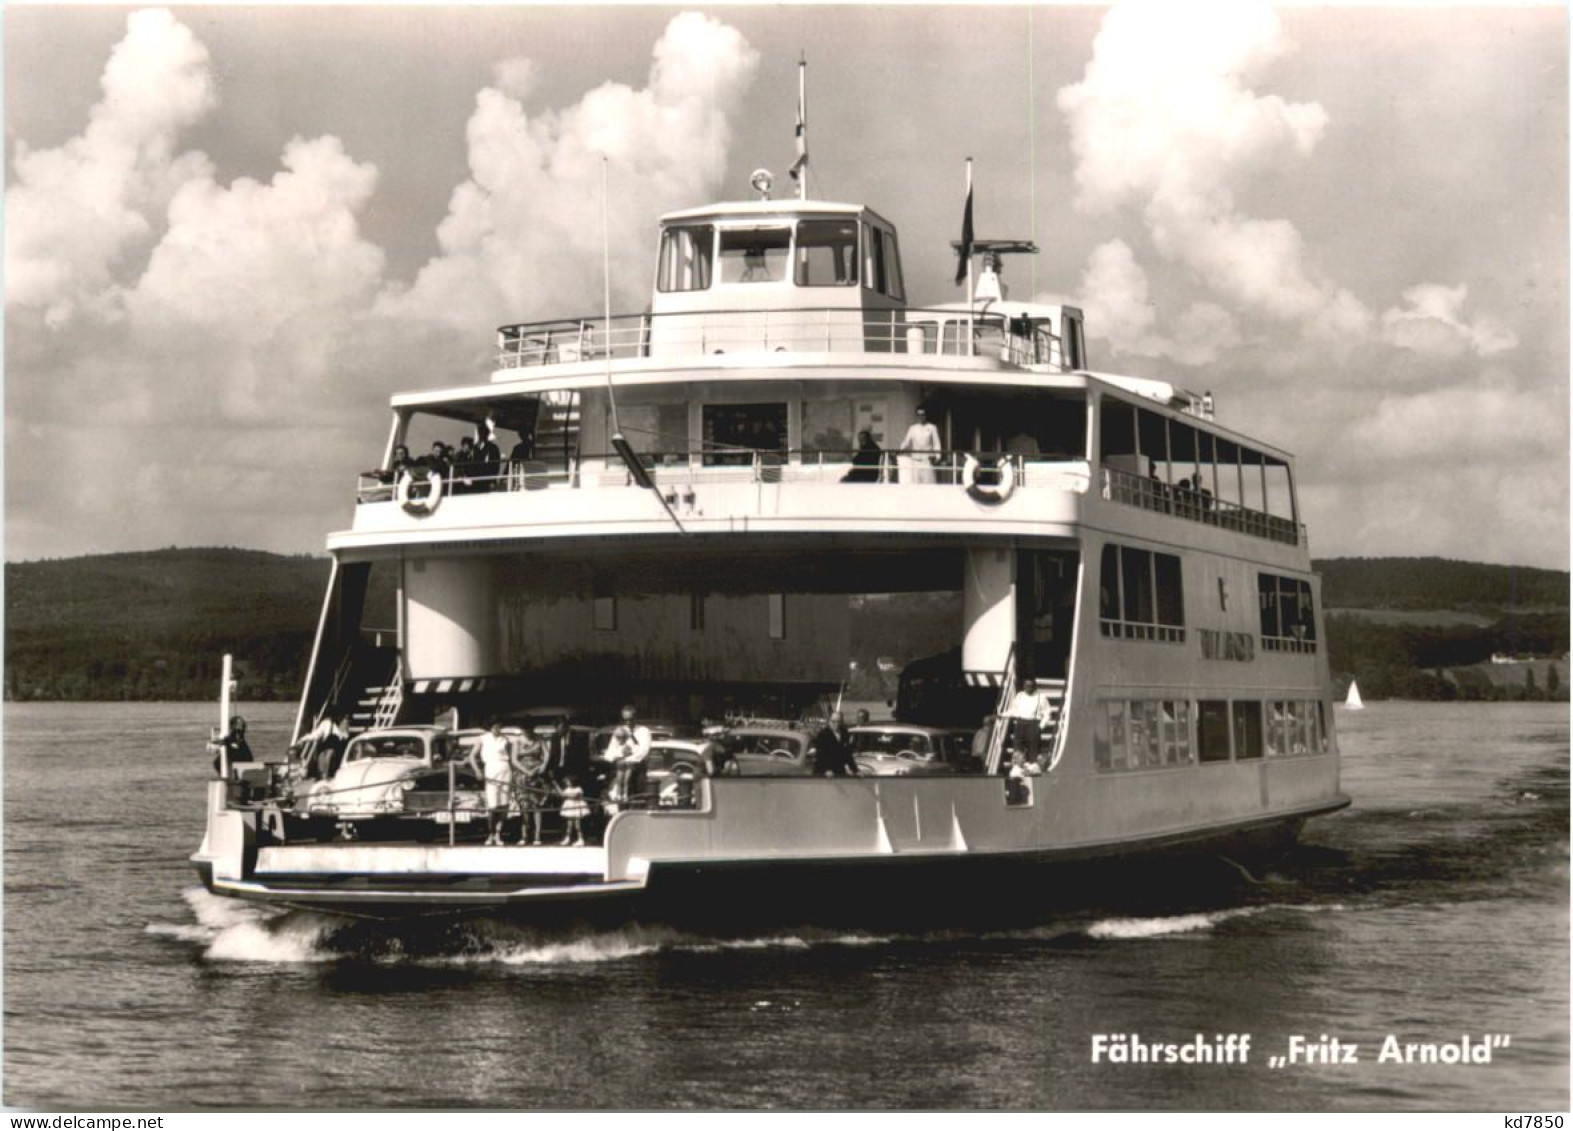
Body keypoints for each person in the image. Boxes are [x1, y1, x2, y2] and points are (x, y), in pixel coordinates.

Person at [468, 722, 515, 846]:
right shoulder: (482, 738)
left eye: (499, 726)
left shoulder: (505, 739)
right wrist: (477, 771)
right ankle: (491, 833)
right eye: (494, 727)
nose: (497, 729)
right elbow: (472, 756)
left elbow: (511, 758)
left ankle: (499, 834)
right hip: (490, 769)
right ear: (490, 727)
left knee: (503, 805)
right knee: (493, 806)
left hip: (505, 770)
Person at [604, 705, 652, 810]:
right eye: (626, 720)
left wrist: (629, 756)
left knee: (638, 800)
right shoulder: (619, 731)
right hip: (622, 769)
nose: (628, 723)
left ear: (636, 717)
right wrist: (621, 753)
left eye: (631, 719)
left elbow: (643, 751)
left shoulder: (644, 731)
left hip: (638, 770)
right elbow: (609, 753)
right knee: (622, 802)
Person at [511, 731, 549, 845]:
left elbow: (546, 755)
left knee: (537, 805)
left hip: (537, 774)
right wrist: (526, 771)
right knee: (523, 805)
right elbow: (514, 759)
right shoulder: (517, 741)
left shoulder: (539, 739)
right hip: (522, 774)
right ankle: (524, 835)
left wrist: (542, 766)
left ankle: (537, 836)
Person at [898, 406, 942, 485]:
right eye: (919, 415)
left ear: (926, 415)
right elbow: (906, 441)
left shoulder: (932, 427)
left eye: (923, 415)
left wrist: (937, 456)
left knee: (929, 485)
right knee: (915, 484)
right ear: (917, 416)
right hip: (915, 461)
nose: (921, 417)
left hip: (927, 461)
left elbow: (936, 443)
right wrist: (900, 450)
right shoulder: (912, 428)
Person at [1007, 678, 1046, 764]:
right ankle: (1017, 768)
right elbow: (1014, 710)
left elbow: (1047, 713)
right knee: (1018, 748)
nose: (1029, 688)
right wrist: (1003, 715)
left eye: (1031, 686)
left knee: (1033, 748)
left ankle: (1032, 767)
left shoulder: (1041, 697)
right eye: (1026, 686)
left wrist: (1040, 726)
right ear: (1024, 686)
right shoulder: (1019, 696)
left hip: (1033, 724)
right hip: (1020, 724)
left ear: (1034, 687)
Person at [810, 711, 859, 777]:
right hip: (823, 771)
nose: (836, 724)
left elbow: (847, 754)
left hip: (839, 769)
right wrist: (826, 770)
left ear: (842, 722)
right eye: (834, 721)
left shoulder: (844, 733)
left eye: (839, 721)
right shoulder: (823, 734)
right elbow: (820, 755)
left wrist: (855, 770)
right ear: (829, 721)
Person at [558, 776, 589, 845]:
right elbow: (562, 795)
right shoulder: (567, 789)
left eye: (568, 781)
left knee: (577, 825)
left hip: (576, 807)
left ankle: (581, 839)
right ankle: (567, 838)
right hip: (569, 807)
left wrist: (565, 795)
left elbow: (573, 796)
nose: (567, 783)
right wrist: (556, 786)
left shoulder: (578, 789)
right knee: (569, 825)